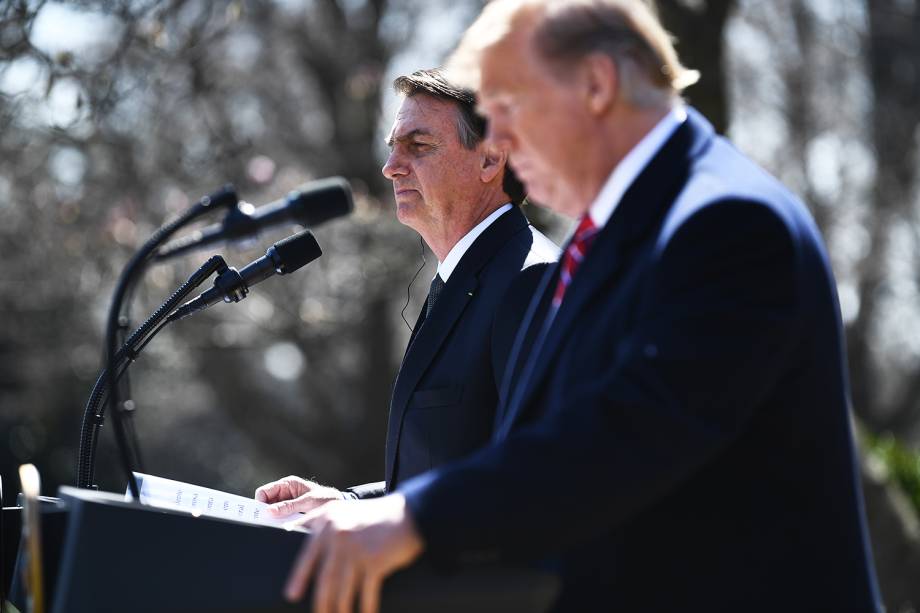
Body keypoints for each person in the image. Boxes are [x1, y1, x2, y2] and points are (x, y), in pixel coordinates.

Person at [281, 2, 883, 612]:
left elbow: (624, 438)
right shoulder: (613, 238)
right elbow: (539, 446)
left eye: (509, 109)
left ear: (595, 84)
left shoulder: (726, 221)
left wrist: (415, 516)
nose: (503, 143)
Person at [255, 70, 558, 513]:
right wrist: (346, 504)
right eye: (392, 147)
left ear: (492, 159)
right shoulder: (469, 276)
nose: (391, 166)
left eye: (418, 146)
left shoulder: (530, 281)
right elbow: (442, 471)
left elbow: (533, 480)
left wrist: (377, 525)